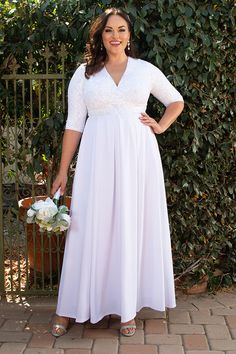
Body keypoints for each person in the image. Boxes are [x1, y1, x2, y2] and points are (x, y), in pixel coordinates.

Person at [51, 7, 184, 337]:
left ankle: (127, 309)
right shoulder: (84, 75)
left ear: (129, 34)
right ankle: (70, 307)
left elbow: (175, 101)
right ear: (100, 35)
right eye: (109, 30)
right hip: (97, 158)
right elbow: (73, 125)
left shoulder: (145, 70)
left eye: (121, 30)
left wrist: (161, 125)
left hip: (138, 157)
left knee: (129, 223)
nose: (115, 36)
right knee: (89, 226)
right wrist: (63, 170)